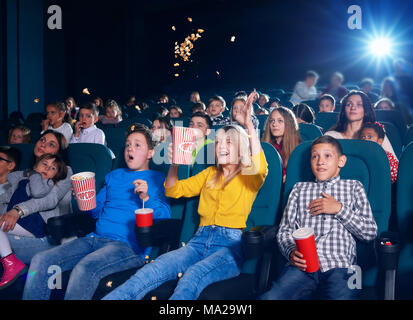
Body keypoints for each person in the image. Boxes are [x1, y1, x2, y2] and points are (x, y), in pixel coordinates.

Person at [102, 92, 268, 301]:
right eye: (218, 143)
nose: (222, 147)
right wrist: (174, 164)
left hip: (230, 246)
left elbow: (260, 166)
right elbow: (173, 190)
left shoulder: (248, 176)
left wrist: (250, 126)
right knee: (152, 270)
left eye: (229, 142)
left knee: (192, 276)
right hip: (198, 240)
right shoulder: (209, 174)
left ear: (241, 148)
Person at [23, 124, 171, 300]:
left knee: (83, 269)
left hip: (127, 246)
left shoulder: (158, 179)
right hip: (94, 238)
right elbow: (95, 213)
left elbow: (164, 217)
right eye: (128, 144)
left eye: (137, 144)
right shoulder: (113, 176)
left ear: (150, 153)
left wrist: (146, 197)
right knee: (41, 260)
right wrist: (83, 197)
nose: (130, 148)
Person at [260, 135, 377, 300]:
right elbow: (285, 229)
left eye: (327, 156)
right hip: (303, 266)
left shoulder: (354, 187)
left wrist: (339, 209)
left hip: (345, 267)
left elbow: (370, 232)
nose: (320, 161)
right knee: (271, 297)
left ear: (341, 161)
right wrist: (290, 251)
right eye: (315, 156)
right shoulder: (299, 189)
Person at [0, 131, 72, 265]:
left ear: (58, 154)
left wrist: (17, 210)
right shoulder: (28, 173)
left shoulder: (65, 171)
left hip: (47, 234)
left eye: (51, 144)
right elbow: (9, 199)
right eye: (42, 140)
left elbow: (49, 200)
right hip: (20, 227)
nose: (43, 145)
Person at [0, 153, 67, 288]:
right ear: (35, 165)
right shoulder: (23, 180)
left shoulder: (47, 183)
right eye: (44, 164)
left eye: (53, 168)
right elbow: (7, 196)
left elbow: (37, 192)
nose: (48, 169)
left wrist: (34, 174)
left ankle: (12, 264)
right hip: (21, 222)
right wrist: (27, 175)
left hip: (34, 223)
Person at [324, 91, 397, 159]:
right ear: (344, 110)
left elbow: (393, 162)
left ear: (366, 110)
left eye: (359, 104)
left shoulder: (376, 134)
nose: (353, 107)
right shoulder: (331, 136)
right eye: (349, 104)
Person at [262, 107, 301, 182]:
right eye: (272, 120)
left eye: (280, 121)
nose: (274, 124)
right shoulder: (264, 146)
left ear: (289, 124)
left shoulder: (298, 149)